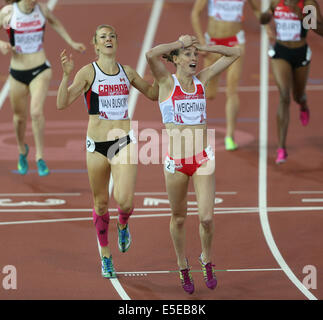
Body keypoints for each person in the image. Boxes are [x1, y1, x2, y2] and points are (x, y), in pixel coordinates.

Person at [57, 24, 158, 278]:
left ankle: (123, 224)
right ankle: (106, 257)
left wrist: (161, 69)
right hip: (96, 146)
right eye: (103, 37)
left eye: (112, 35)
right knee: (101, 204)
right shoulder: (88, 73)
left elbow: (154, 94)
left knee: (124, 200)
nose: (108, 39)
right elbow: (61, 103)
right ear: (95, 44)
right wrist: (66, 75)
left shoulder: (128, 73)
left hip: (122, 142)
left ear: (116, 41)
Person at [146, 35, 240, 293]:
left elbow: (235, 53)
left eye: (194, 55)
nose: (193, 58)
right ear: (175, 59)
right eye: (187, 54)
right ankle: (182, 265)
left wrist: (206, 47)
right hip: (176, 163)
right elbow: (151, 54)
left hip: (202, 160)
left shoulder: (203, 79)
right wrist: (177, 42)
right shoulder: (166, 83)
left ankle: (206, 259)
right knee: (178, 218)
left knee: (207, 218)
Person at [0, 0, 85, 176]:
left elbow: (55, 22)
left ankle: (40, 157)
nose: (34, 2)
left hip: (41, 69)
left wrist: (71, 42)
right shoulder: (8, 12)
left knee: (36, 112)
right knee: (19, 118)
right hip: (17, 72)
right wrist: (1, 44)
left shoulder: (41, 10)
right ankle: (22, 150)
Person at [191, 0, 264, 151]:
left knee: (232, 90)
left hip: (235, 42)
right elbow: (195, 14)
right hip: (213, 43)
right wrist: (202, 42)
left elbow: (257, 11)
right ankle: (194, 126)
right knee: (208, 93)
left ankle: (230, 136)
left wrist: (266, 25)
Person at [259, 0, 323, 164]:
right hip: (281, 52)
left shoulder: (309, 3)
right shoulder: (276, 2)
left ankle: (303, 104)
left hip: (300, 53)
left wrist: (303, 15)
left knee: (297, 95)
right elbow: (264, 18)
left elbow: (321, 30)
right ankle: (281, 148)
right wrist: (265, 18)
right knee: (284, 96)